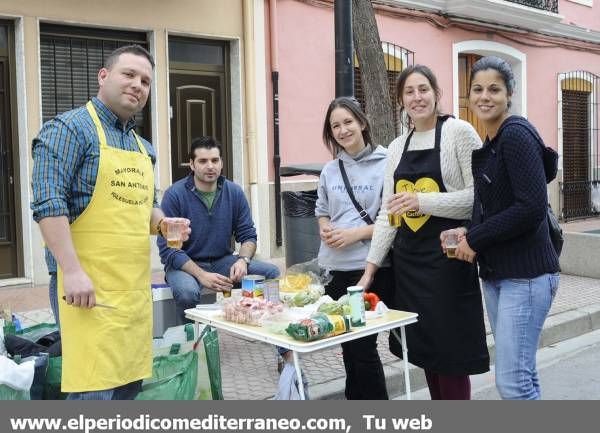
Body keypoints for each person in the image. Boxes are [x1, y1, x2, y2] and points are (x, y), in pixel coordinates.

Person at [31, 45, 190, 400]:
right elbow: (47, 204)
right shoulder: (68, 130)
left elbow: (146, 208)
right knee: (93, 390)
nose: (138, 85)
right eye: (129, 75)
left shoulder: (143, 147)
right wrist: (71, 270)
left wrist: (164, 224)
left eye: (146, 81)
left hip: (132, 290)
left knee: (128, 385)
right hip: (84, 288)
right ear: (103, 76)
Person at [358, 65, 490, 400]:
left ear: (436, 93)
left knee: (452, 353)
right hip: (410, 265)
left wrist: (421, 200)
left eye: (423, 89)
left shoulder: (460, 133)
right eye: (409, 92)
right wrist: (370, 270)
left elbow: (478, 198)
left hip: (449, 262)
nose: (417, 97)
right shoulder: (397, 146)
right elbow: (389, 213)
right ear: (400, 99)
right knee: (427, 351)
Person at [447, 56, 560, 400]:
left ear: (509, 93)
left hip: (525, 277)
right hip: (501, 275)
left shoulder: (515, 134)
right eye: (477, 89)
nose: (485, 96)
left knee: (512, 383)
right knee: (522, 377)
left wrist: (476, 238)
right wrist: (465, 233)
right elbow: (495, 206)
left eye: (494, 89)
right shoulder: (493, 142)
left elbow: (531, 207)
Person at [315, 96, 392, 400]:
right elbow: (321, 210)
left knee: (363, 347)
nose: (343, 130)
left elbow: (393, 221)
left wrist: (354, 234)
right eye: (335, 125)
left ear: (362, 122)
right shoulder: (330, 170)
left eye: (348, 122)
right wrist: (325, 229)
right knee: (347, 344)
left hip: (368, 268)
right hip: (334, 268)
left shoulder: (388, 163)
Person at [158, 136, 280, 323]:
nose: (210, 166)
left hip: (222, 262)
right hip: (185, 265)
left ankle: (277, 341)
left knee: (271, 273)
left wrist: (243, 260)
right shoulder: (175, 195)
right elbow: (170, 251)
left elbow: (248, 235)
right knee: (187, 293)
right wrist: (201, 275)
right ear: (191, 164)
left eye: (215, 160)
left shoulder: (234, 192)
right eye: (203, 161)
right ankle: (192, 346)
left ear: (221, 163)